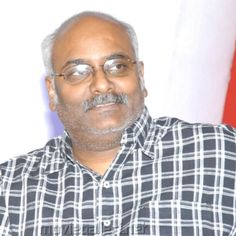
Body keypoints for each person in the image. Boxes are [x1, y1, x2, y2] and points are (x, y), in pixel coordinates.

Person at [0, 11, 236, 236]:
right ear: (52, 92)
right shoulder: (10, 188)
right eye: (78, 72)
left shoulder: (222, 153)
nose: (102, 84)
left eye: (118, 66)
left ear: (140, 76)